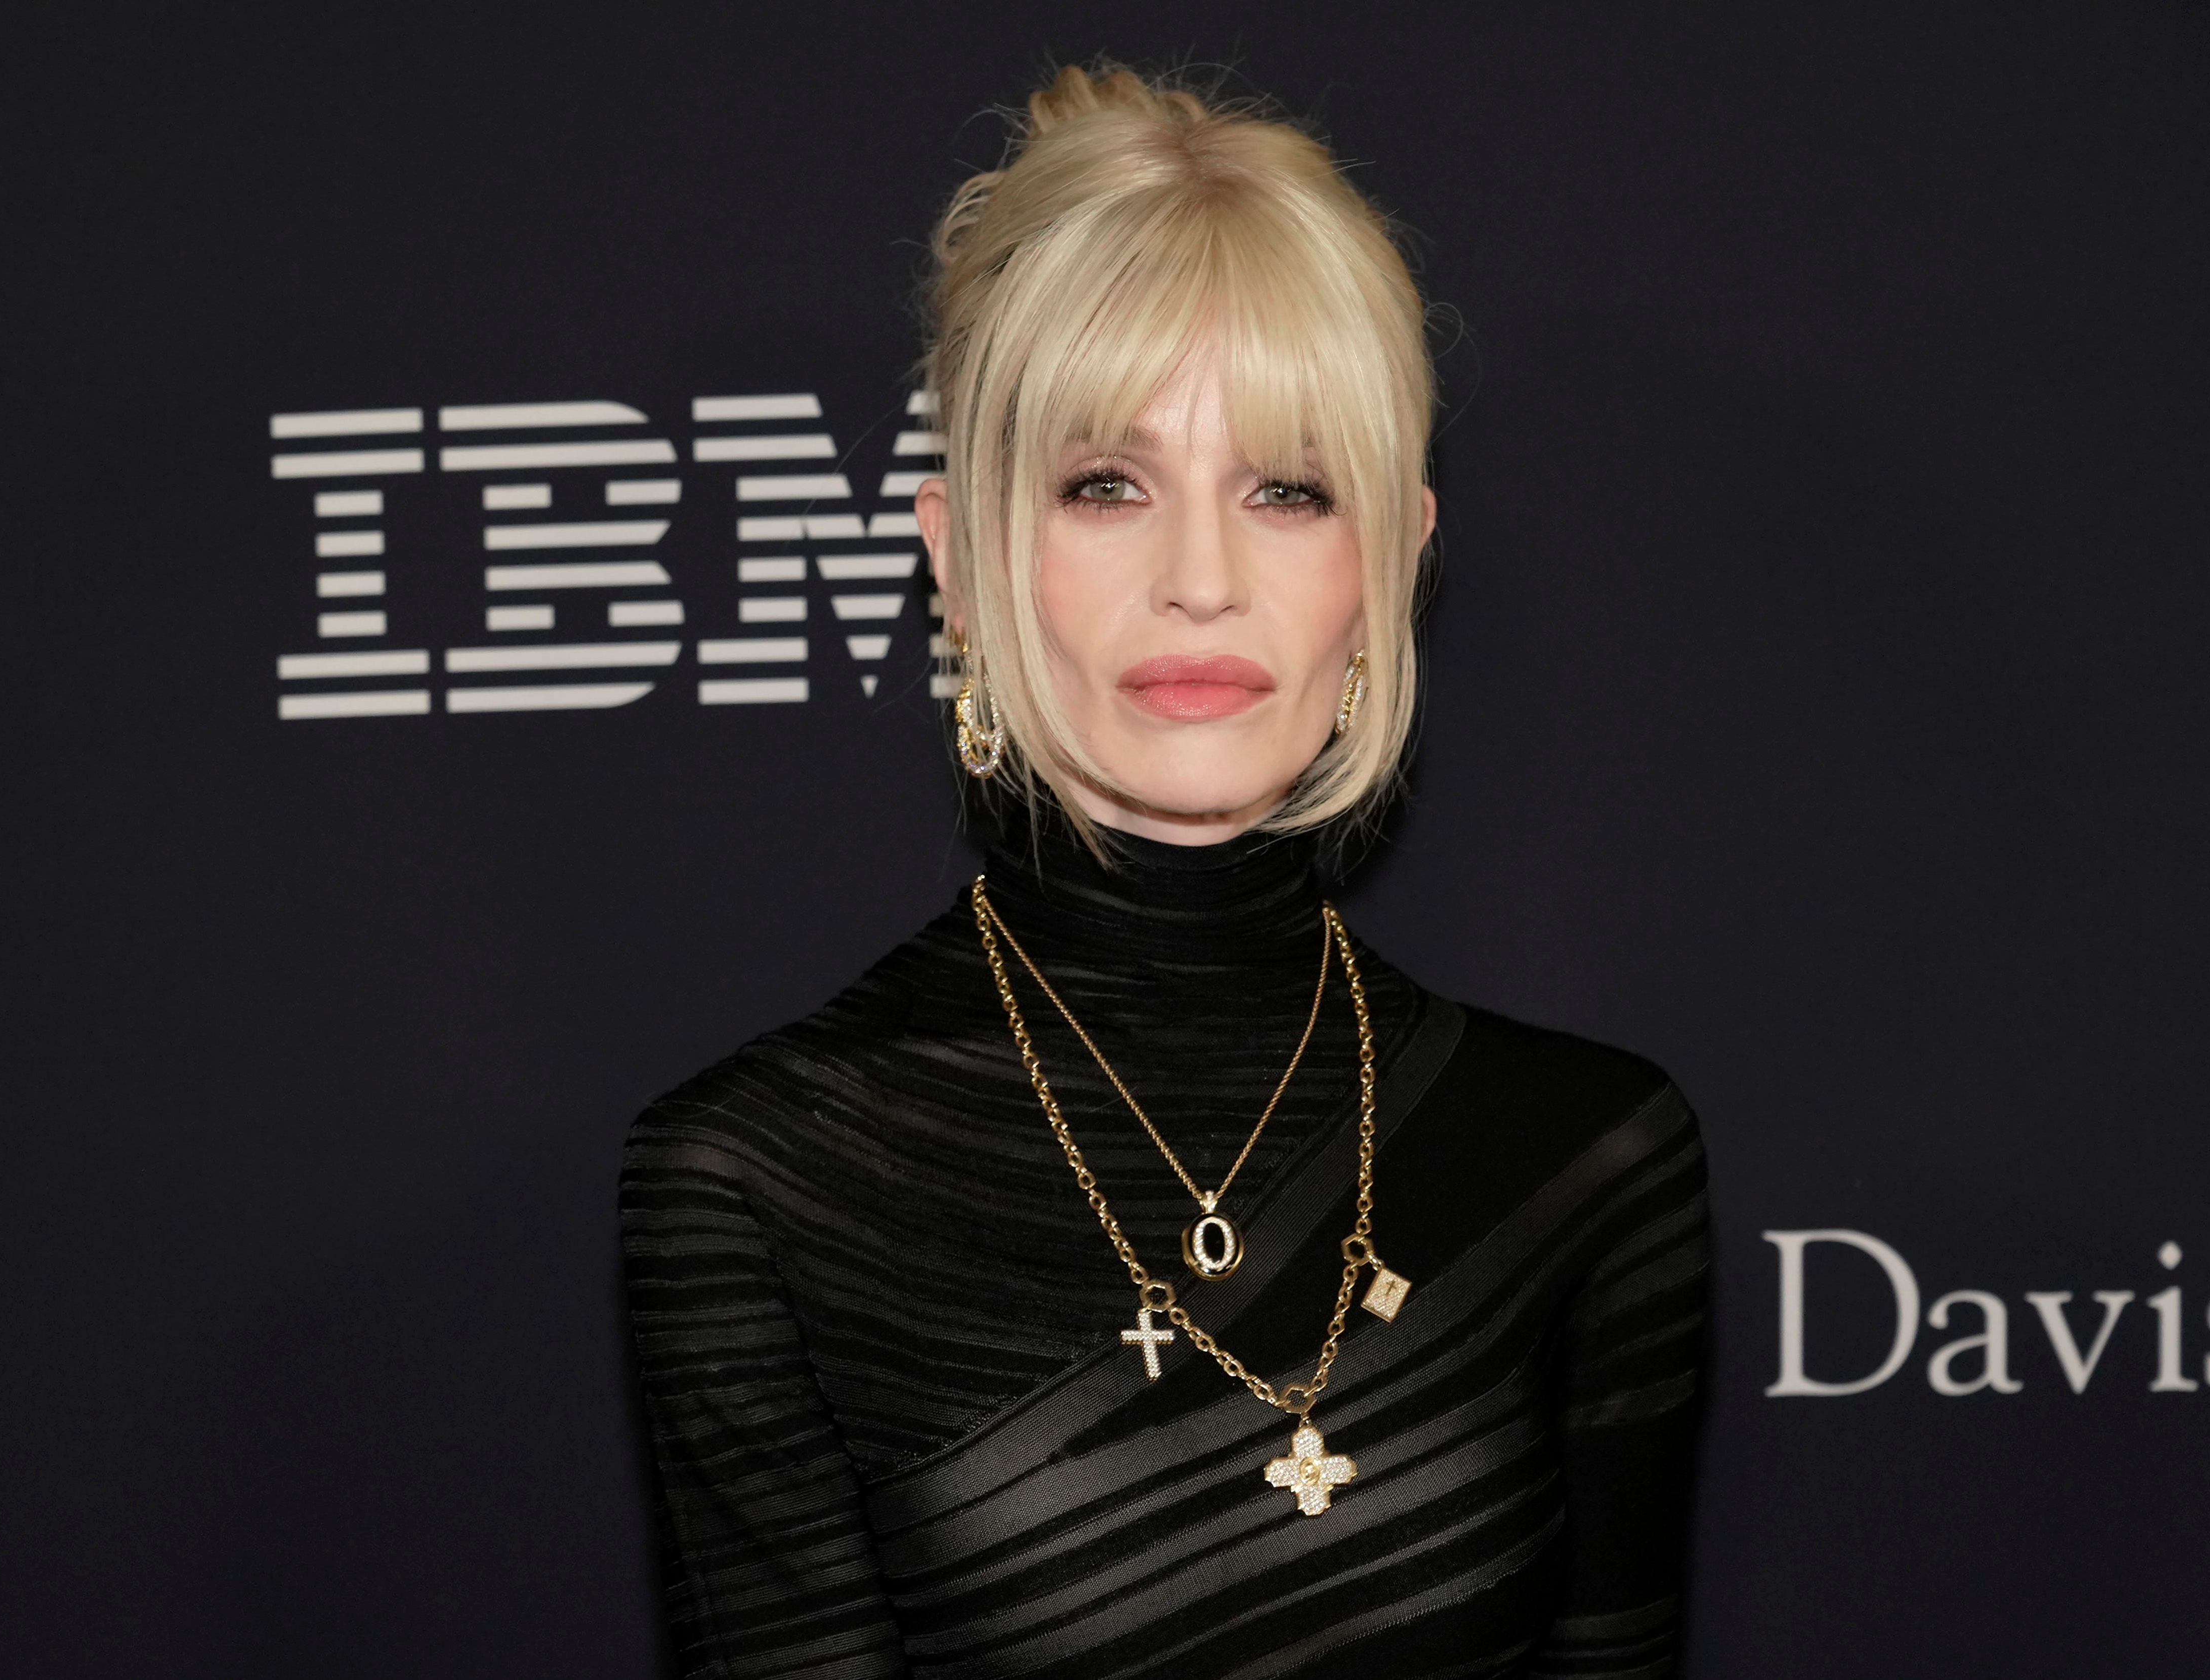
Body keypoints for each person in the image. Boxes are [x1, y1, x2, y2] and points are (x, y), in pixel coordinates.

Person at [622, 64, 1708, 1679]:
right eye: (1106, 485)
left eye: (1287, 489)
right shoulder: (761, 1180)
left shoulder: (1588, 1158)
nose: (1202, 577)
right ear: (959, 562)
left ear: (1394, 558)